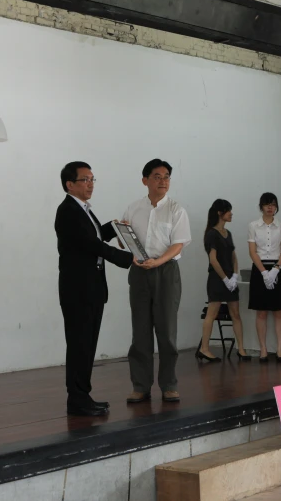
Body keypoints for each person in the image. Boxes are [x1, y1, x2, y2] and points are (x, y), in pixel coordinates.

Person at [55, 161, 135, 417]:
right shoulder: (68, 210)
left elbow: (95, 236)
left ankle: (82, 396)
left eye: (92, 179)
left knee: (87, 344)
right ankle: (77, 399)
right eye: (85, 180)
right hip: (78, 290)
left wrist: (113, 227)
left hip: (91, 288)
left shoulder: (83, 210)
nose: (90, 184)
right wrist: (126, 258)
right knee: (79, 344)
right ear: (70, 184)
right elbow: (90, 244)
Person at [123, 159, 191, 403]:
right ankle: (140, 386)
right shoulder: (132, 209)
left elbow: (178, 243)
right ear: (145, 180)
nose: (163, 181)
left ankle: (169, 384)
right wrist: (125, 241)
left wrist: (159, 261)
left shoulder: (176, 209)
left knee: (167, 331)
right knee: (140, 331)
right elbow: (125, 239)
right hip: (139, 271)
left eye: (166, 177)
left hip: (166, 272)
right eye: (157, 176)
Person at [198, 199, 250, 362]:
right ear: (220, 213)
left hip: (230, 279)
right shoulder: (212, 233)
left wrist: (234, 275)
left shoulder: (228, 234)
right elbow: (213, 260)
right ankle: (204, 348)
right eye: (228, 211)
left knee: (236, 313)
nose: (231, 213)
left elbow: (233, 256)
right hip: (217, 279)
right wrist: (225, 279)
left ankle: (241, 349)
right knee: (212, 313)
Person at [248, 192, 281, 363]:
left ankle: (280, 350)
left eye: (273, 204)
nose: (270, 207)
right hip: (260, 267)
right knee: (261, 312)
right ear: (261, 206)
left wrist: (276, 270)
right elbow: (252, 252)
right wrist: (263, 272)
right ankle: (263, 349)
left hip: (277, 267)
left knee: (279, 311)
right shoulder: (253, 225)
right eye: (267, 204)